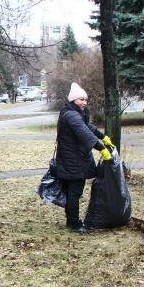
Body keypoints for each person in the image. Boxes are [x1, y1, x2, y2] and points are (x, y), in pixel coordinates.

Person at [52, 82, 112, 234]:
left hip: (72, 159)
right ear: (73, 100)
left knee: (72, 192)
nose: (84, 102)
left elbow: (88, 127)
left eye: (86, 99)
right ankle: (75, 225)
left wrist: (103, 137)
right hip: (73, 161)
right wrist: (101, 148)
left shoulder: (75, 113)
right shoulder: (71, 115)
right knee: (74, 192)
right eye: (81, 99)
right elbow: (83, 133)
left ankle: (71, 221)